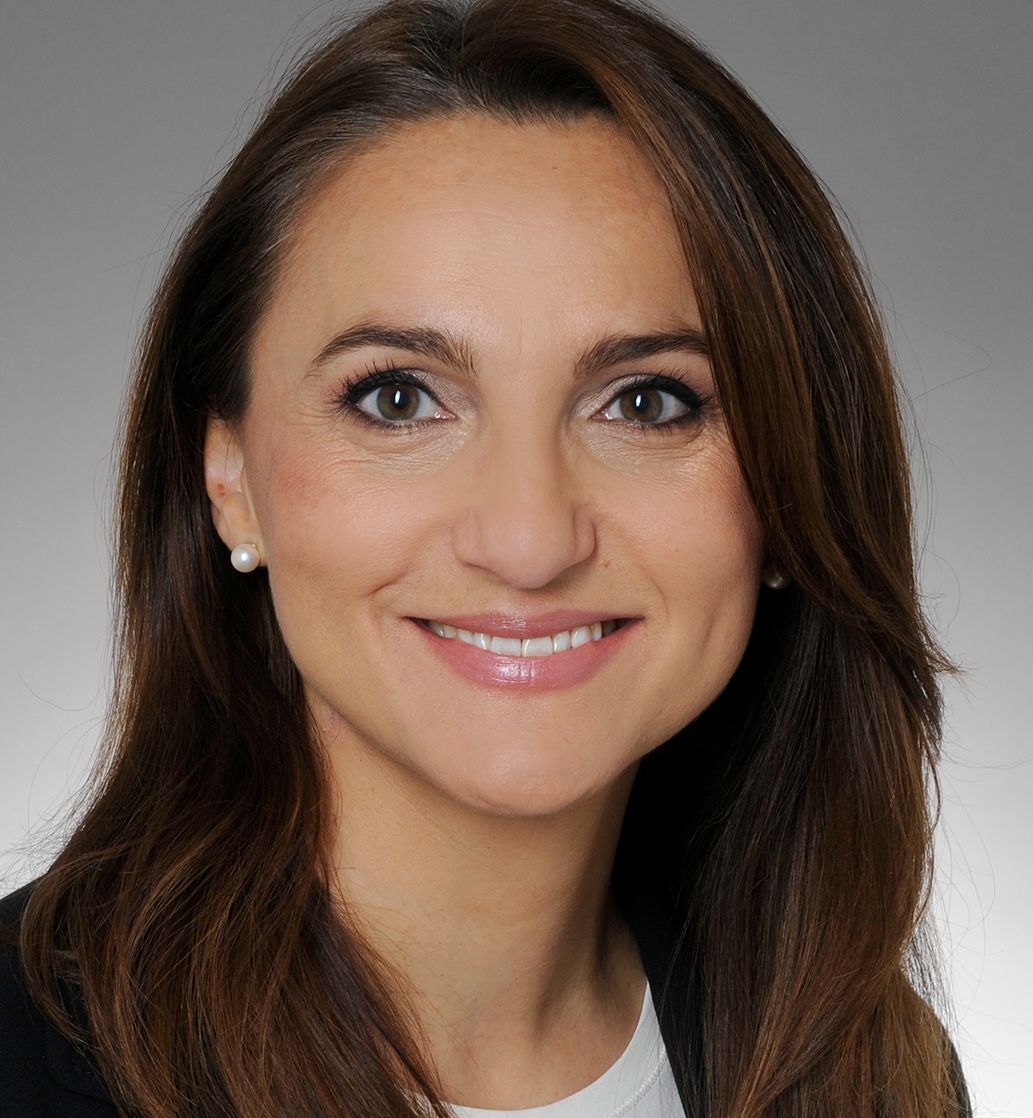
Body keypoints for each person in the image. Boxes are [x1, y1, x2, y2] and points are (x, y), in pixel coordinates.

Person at [0, 0, 973, 1115]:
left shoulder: (875, 1074)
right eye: (398, 398)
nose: (529, 539)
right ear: (230, 480)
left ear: (792, 485)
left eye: (646, 402)